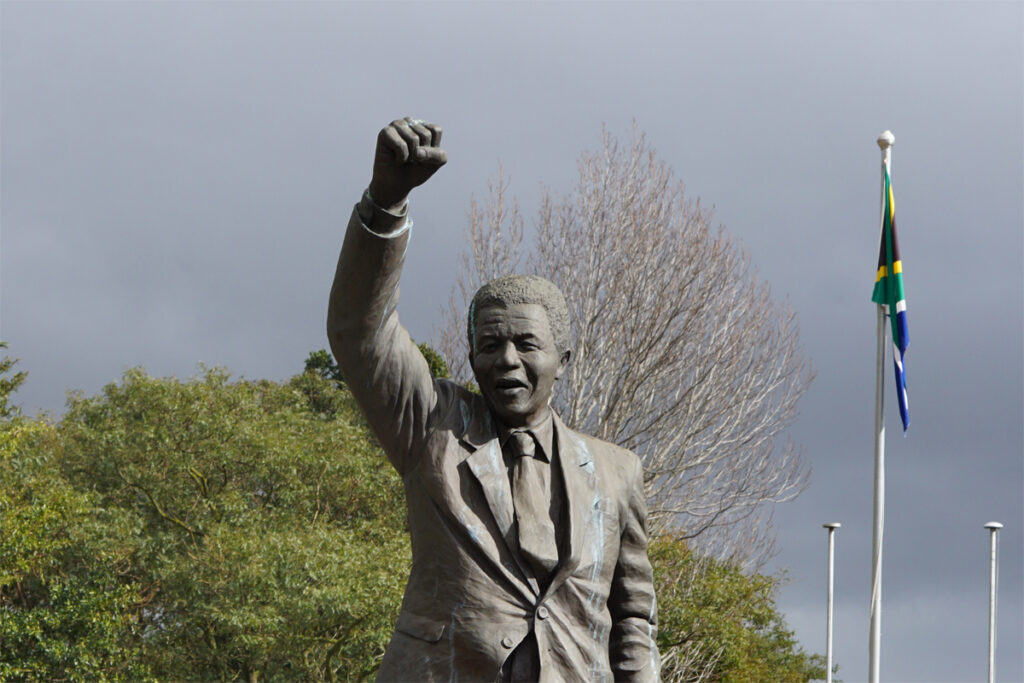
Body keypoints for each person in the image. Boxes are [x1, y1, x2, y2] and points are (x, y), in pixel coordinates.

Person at [327, 117, 660, 682]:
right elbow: (361, 333)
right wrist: (386, 202)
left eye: (526, 344)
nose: (506, 361)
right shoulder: (431, 426)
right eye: (490, 345)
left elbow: (633, 619)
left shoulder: (616, 471)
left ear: (563, 357)